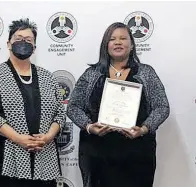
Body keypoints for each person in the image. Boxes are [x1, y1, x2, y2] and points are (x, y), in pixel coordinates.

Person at [66, 22, 170, 187]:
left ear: (132, 45)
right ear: (105, 45)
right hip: (97, 154)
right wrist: (88, 126)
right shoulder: (92, 74)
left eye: (123, 38)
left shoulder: (146, 73)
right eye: (112, 39)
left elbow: (162, 107)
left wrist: (144, 129)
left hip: (137, 154)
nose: (118, 42)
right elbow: (73, 107)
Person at [0, 18, 65, 187]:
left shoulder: (48, 77)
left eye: (28, 40)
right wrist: (19, 138)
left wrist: (48, 137)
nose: (23, 43)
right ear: (8, 44)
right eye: (18, 39)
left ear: (34, 47)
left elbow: (60, 113)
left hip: (44, 155)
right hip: (6, 157)